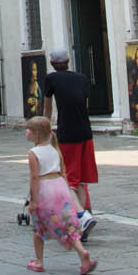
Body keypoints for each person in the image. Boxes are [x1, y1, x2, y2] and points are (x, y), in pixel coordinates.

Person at [23, 115, 97, 275]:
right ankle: (83, 254)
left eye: (28, 129)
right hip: (60, 187)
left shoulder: (33, 153)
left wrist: (33, 201)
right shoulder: (55, 149)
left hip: (45, 189)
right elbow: (63, 172)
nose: (26, 132)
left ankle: (39, 261)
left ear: (36, 134)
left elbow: (34, 177)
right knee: (68, 225)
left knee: (37, 229)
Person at [41, 50, 98, 238]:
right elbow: (85, 104)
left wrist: (44, 130)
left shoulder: (51, 79)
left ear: (51, 63)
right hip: (86, 132)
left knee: (68, 179)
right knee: (80, 180)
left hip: (67, 133)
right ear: (68, 61)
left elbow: (48, 107)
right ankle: (82, 217)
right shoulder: (81, 78)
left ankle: (82, 216)